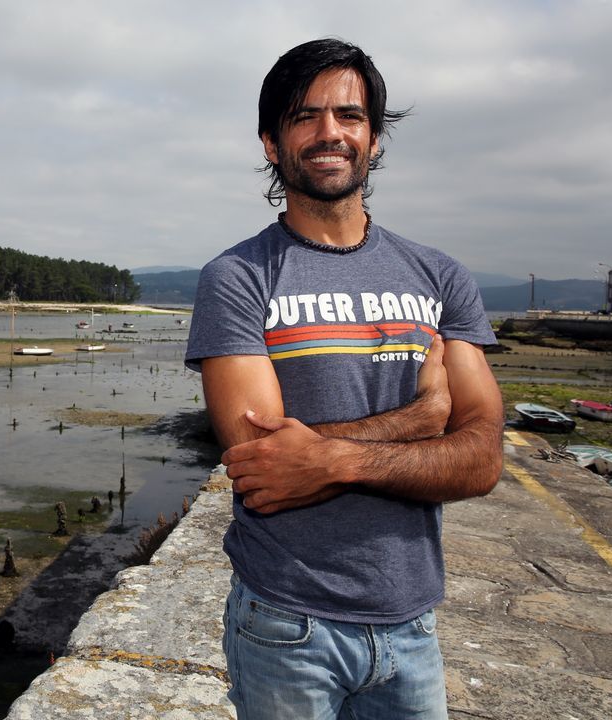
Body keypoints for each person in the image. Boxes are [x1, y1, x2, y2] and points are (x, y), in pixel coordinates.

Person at [184, 38, 505, 719]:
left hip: (413, 623)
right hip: (286, 624)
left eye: (349, 115)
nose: (329, 131)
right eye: (305, 115)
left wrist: (331, 457)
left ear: (375, 139)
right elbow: (264, 466)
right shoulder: (238, 279)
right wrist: (415, 424)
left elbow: (481, 461)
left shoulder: (441, 278)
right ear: (273, 143)